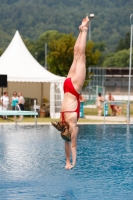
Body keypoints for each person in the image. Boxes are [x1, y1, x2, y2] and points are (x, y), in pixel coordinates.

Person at [52, 16, 89, 170]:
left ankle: (84, 30)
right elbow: (66, 144)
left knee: (81, 57)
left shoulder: (72, 124)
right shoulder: (62, 120)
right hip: (67, 86)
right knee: (76, 56)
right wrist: (66, 162)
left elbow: (72, 145)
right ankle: (81, 31)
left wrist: (72, 163)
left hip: (73, 88)